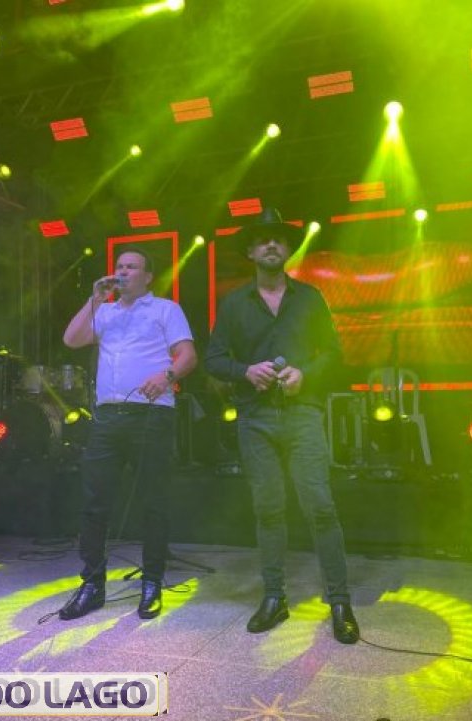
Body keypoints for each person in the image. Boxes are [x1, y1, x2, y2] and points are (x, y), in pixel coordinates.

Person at [205, 207, 359, 644]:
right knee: (268, 509)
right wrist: (244, 371)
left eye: (278, 238)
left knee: (320, 507)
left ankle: (340, 601)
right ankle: (275, 598)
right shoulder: (235, 303)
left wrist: (305, 373)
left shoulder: (309, 298)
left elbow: (334, 353)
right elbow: (213, 358)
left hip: (302, 413)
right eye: (262, 239)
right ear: (251, 252)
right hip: (255, 418)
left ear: (288, 249)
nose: (271, 244)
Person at [60, 246, 197, 620]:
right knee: (95, 501)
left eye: (131, 267)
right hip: (108, 416)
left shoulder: (165, 309)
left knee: (153, 501)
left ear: (147, 276)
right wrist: (94, 297)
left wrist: (166, 375)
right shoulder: (105, 311)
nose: (122, 271)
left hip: (150, 414)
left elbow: (188, 355)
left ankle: (152, 581)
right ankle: (92, 585)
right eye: (119, 266)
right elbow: (71, 339)